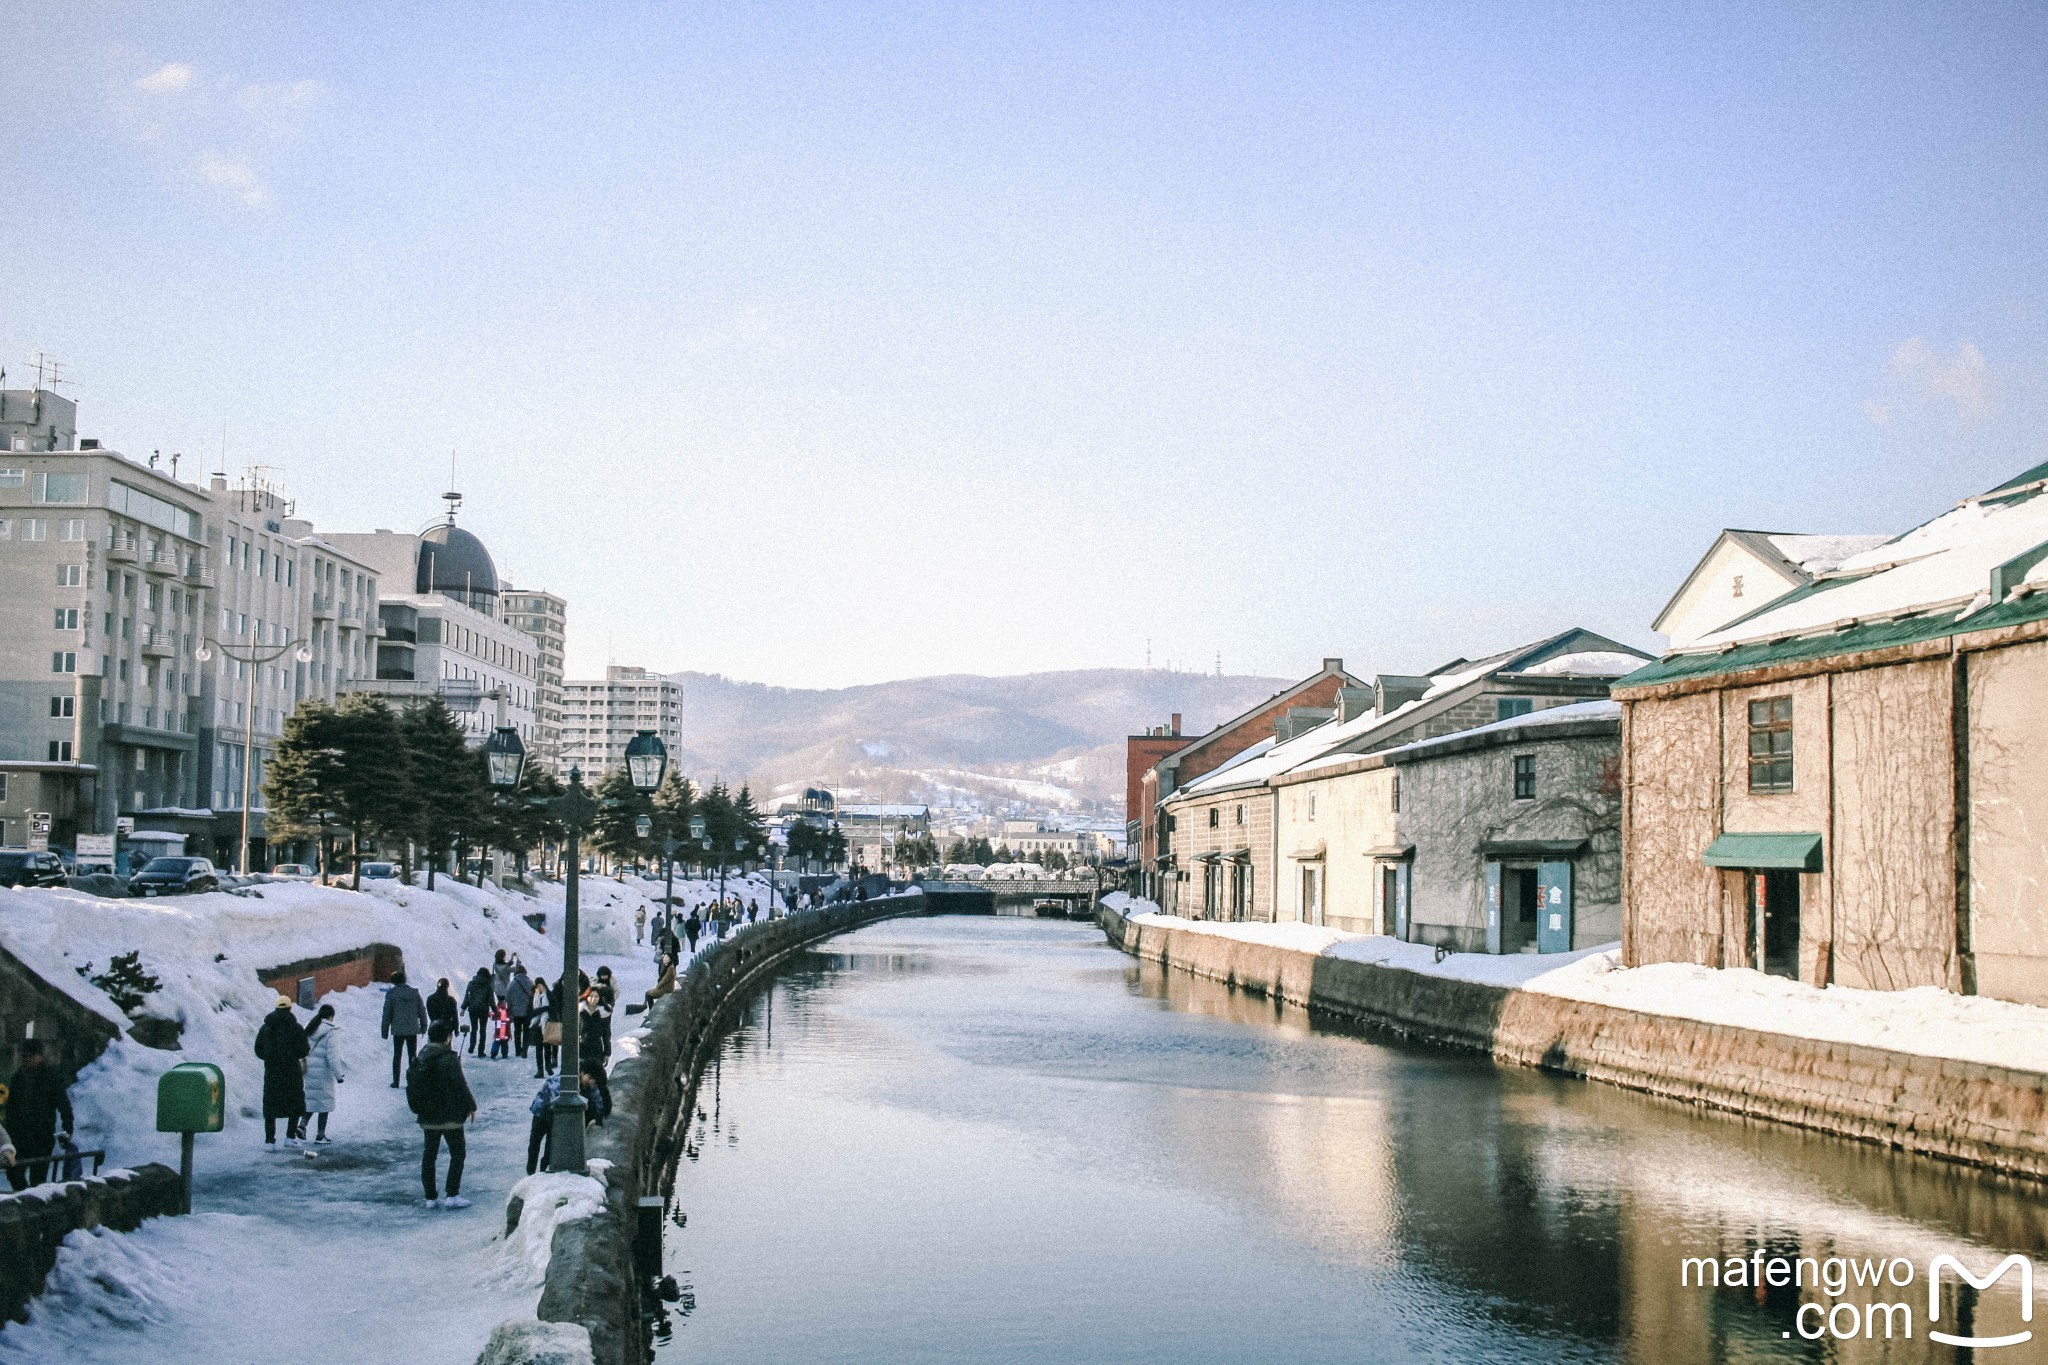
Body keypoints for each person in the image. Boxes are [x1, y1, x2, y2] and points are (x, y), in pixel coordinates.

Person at [405, 1020, 475, 1209]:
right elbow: (460, 1085)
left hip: (428, 1116)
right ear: (447, 1038)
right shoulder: (449, 1058)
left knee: (429, 1155)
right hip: (450, 1115)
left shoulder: (421, 1057)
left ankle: (430, 1197)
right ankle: (452, 1194)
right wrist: (471, 1106)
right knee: (458, 1153)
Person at [4, 1044, 74, 1187]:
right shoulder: (18, 1078)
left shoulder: (50, 1077)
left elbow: (63, 1105)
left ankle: (32, 1200)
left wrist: (68, 1128)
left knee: (38, 1177)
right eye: (23, 1056)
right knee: (13, 1172)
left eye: (29, 1056)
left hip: (41, 1135)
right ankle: (25, 1198)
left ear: (39, 1056)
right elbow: (11, 1108)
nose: (26, 1060)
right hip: (20, 1136)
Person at [526, 1066, 609, 1174]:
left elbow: (597, 1099)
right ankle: (530, 1172)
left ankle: (543, 1173)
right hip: (542, 1113)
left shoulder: (589, 1084)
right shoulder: (560, 1081)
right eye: (590, 1079)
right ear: (583, 1073)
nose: (592, 1082)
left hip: (556, 1118)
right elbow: (553, 1101)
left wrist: (599, 1116)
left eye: (594, 1081)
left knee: (550, 1149)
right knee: (534, 1144)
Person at [253, 997, 310, 1149]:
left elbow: (258, 1049)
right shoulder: (296, 1028)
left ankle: (269, 1141)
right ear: (290, 1008)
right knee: (294, 1103)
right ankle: (290, 1137)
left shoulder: (266, 1028)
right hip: (292, 1072)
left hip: (272, 1072)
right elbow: (304, 1049)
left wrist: (269, 1057)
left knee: (271, 1106)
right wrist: (292, 1056)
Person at [302, 1003, 347, 1142]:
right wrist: (339, 1075)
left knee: (311, 1100)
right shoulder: (331, 1031)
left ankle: (301, 1126)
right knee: (324, 1103)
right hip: (323, 1072)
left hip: (309, 1069)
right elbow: (333, 1056)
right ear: (331, 1016)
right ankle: (320, 1135)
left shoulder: (310, 1027)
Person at [382, 970, 426, 1088]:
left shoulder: (391, 994)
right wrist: (424, 1026)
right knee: (412, 1055)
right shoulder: (414, 993)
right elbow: (422, 1011)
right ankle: (413, 1081)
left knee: (397, 1055)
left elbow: (387, 1014)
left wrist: (384, 1031)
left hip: (398, 1030)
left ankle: (396, 1082)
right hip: (412, 1029)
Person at [461, 968, 494, 1057]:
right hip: (483, 1010)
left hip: (472, 1009)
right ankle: (480, 1051)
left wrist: (463, 1008)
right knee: (482, 1031)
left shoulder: (471, 983)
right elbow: (491, 1000)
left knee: (474, 1029)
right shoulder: (488, 985)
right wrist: (496, 1010)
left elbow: (467, 996)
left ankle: (471, 1047)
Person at [529, 976, 555, 1077]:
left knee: (547, 1048)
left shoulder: (549, 995)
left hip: (547, 1024)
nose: (539, 988)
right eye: (537, 986)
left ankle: (548, 1067)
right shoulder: (534, 997)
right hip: (537, 1025)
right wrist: (544, 1008)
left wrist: (545, 1009)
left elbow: (553, 1008)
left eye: (540, 986)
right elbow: (532, 1012)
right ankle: (540, 1070)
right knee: (539, 1050)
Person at [508, 962, 534, 1059]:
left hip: (516, 1012)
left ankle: (517, 1050)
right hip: (527, 1011)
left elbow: (508, 997)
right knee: (526, 1031)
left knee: (517, 1031)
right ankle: (524, 1051)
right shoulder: (531, 983)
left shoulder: (512, 984)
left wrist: (510, 1008)